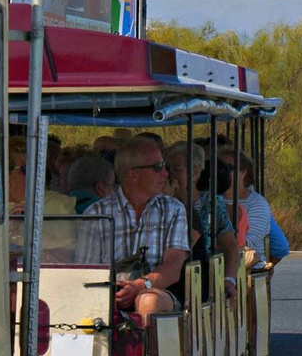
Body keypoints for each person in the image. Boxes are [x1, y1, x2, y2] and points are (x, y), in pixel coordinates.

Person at [80, 138, 189, 325]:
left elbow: (173, 268)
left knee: (148, 301)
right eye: (158, 167)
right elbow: (85, 271)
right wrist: (116, 292)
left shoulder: (173, 209)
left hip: (159, 292)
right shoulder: (96, 213)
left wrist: (139, 285)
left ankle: (144, 354)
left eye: (164, 166)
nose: (165, 173)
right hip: (108, 293)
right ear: (133, 175)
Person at [165, 142, 239, 295]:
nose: (169, 174)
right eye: (166, 168)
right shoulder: (160, 203)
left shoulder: (211, 203)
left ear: (194, 173)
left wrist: (229, 280)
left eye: (176, 170)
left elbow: (230, 246)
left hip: (199, 275)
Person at [221, 150, 288, 265]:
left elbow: (250, 242)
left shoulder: (257, 204)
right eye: (219, 167)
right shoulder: (208, 198)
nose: (223, 172)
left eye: (229, 168)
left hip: (246, 266)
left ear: (243, 172)